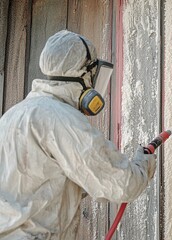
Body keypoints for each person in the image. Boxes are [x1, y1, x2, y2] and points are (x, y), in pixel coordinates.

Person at [0, 30, 156, 239]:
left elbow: (45, 183)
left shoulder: (13, 115)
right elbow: (122, 183)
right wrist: (142, 163)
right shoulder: (60, 118)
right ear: (83, 74)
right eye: (93, 75)